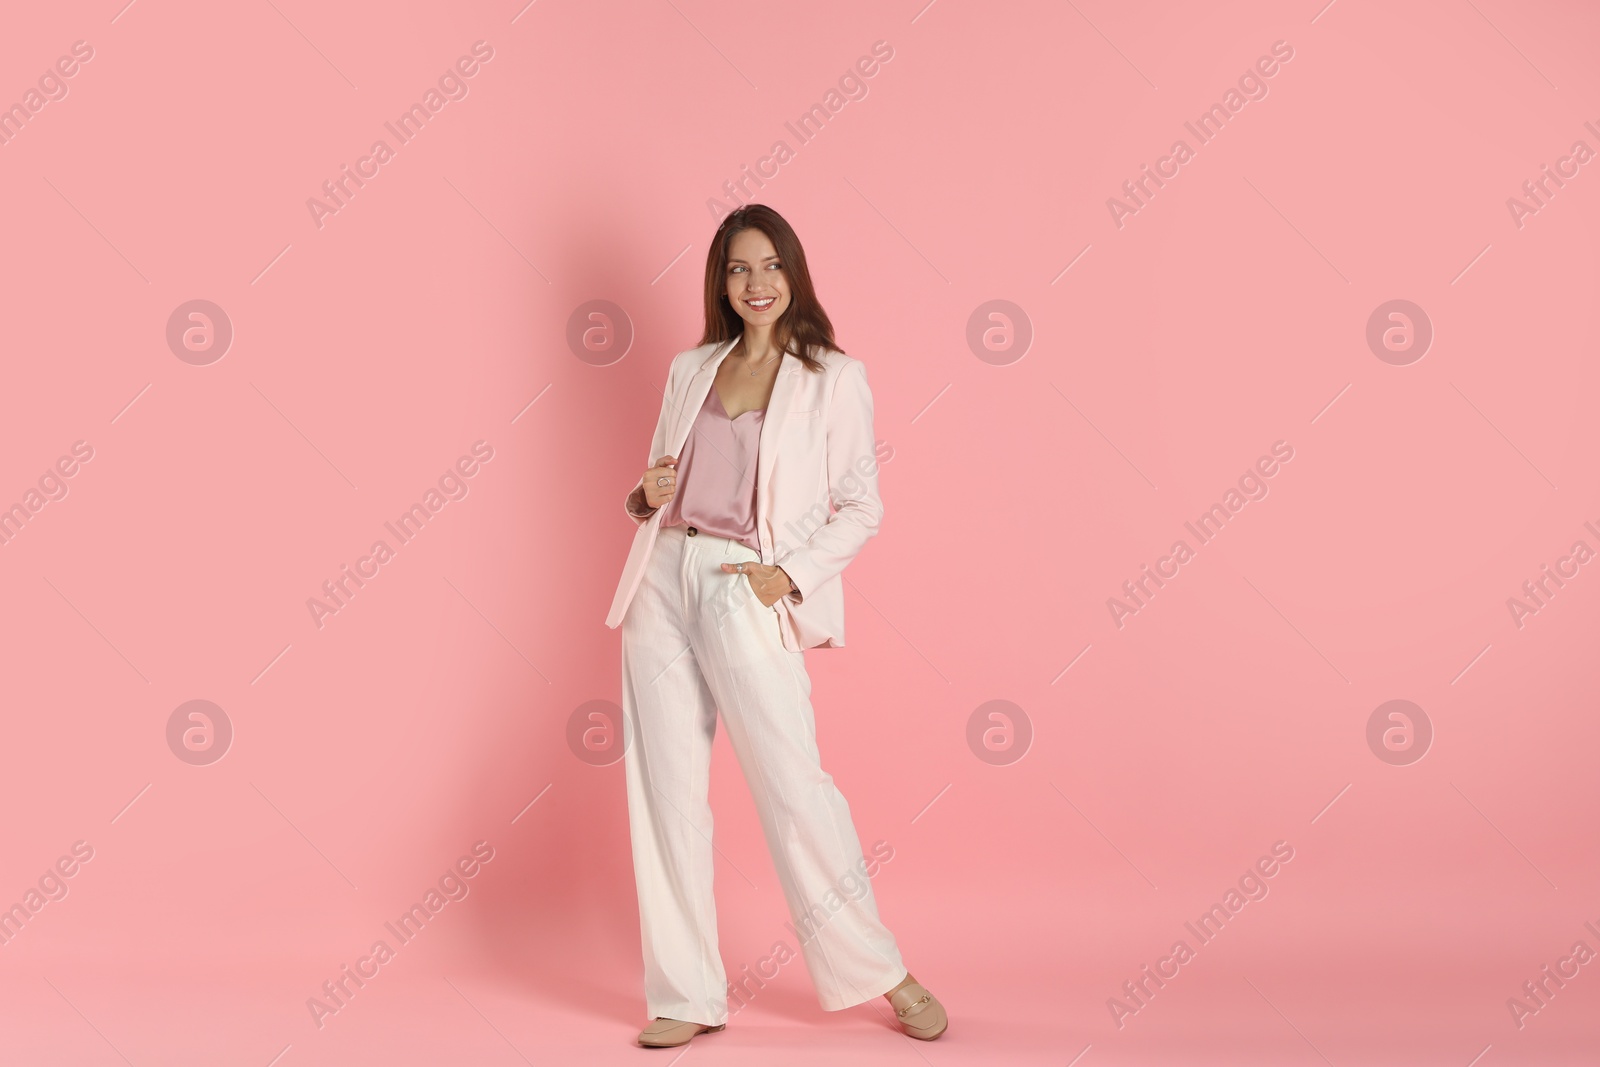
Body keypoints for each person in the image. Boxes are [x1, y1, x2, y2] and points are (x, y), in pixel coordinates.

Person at [603, 204, 947, 1048]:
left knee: (794, 786)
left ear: (794, 272)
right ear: (720, 281)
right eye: (736, 269)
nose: (754, 284)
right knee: (666, 794)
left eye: (769, 266)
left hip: (741, 585)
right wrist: (644, 494)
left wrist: (785, 576)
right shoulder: (692, 367)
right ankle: (686, 992)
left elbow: (863, 505)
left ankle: (882, 971)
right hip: (661, 581)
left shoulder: (833, 376)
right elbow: (654, 484)